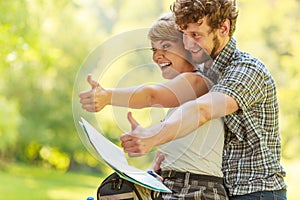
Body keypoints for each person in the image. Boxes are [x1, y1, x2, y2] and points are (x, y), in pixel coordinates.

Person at [120, 0, 287, 199]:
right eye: (185, 35)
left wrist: (152, 136)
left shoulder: (246, 70)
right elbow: (187, 125)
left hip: (256, 192)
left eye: (196, 35)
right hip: (223, 190)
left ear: (223, 28)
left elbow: (202, 111)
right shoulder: (203, 70)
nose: (188, 44)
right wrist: (159, 164)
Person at [80, 13, 228, 199]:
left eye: (166, 46)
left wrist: (108, 96)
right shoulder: (178, 101)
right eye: (154, 49)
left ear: (188, 48)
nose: (157, 56)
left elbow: (151, 95)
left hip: (197, 190)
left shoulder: (198, 82)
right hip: (175, 187)